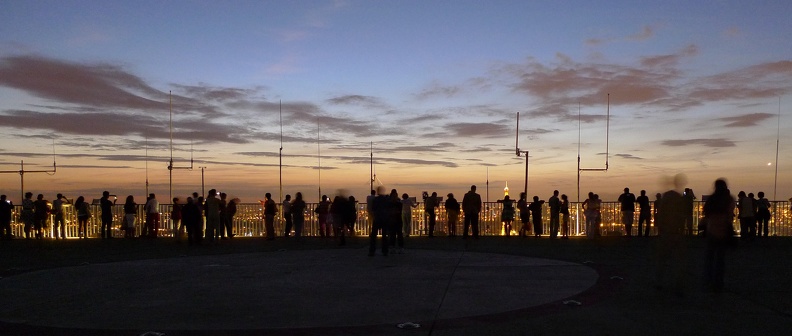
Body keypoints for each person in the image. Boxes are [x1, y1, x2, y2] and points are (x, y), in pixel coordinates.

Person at [654, 174, 687, 295]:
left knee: (662, 259)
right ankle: (677, 283)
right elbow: (682, 215)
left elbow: (661, 214)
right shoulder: (678, 198)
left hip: (666, 232)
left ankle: (659, 282)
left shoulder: (667, 196)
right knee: (677, 260)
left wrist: (660, 229)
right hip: (675, 232)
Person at [702, 179, 736, 293]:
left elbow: (706, 212)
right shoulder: (729, 199)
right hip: (724, 229)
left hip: (711, 229)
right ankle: (718, 282)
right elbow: (730, 214)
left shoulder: (712, 199)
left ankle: (707, 280)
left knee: (709, 257)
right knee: (720, 258)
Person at [369, 186, 390, 256]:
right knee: (384, 235)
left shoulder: (376, 200)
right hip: (385, 218)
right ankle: (385, 250)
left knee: (374, 235)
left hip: (377, 218)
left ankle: (372, 250)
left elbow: (373, 209)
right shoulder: (386, 199)